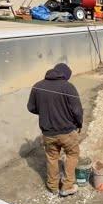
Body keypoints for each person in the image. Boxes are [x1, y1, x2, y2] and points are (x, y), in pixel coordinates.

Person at [27, 63, 83, 196]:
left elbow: (31, 107)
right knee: (72, 155)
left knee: (52, 158)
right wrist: (79, 124)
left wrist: (45, 112)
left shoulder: (37, 86)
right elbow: (77, 110)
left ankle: (53, 187)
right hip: (67, 132)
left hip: (48, 133)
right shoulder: (68, 87)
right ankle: (67, 187)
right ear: (64, 75)